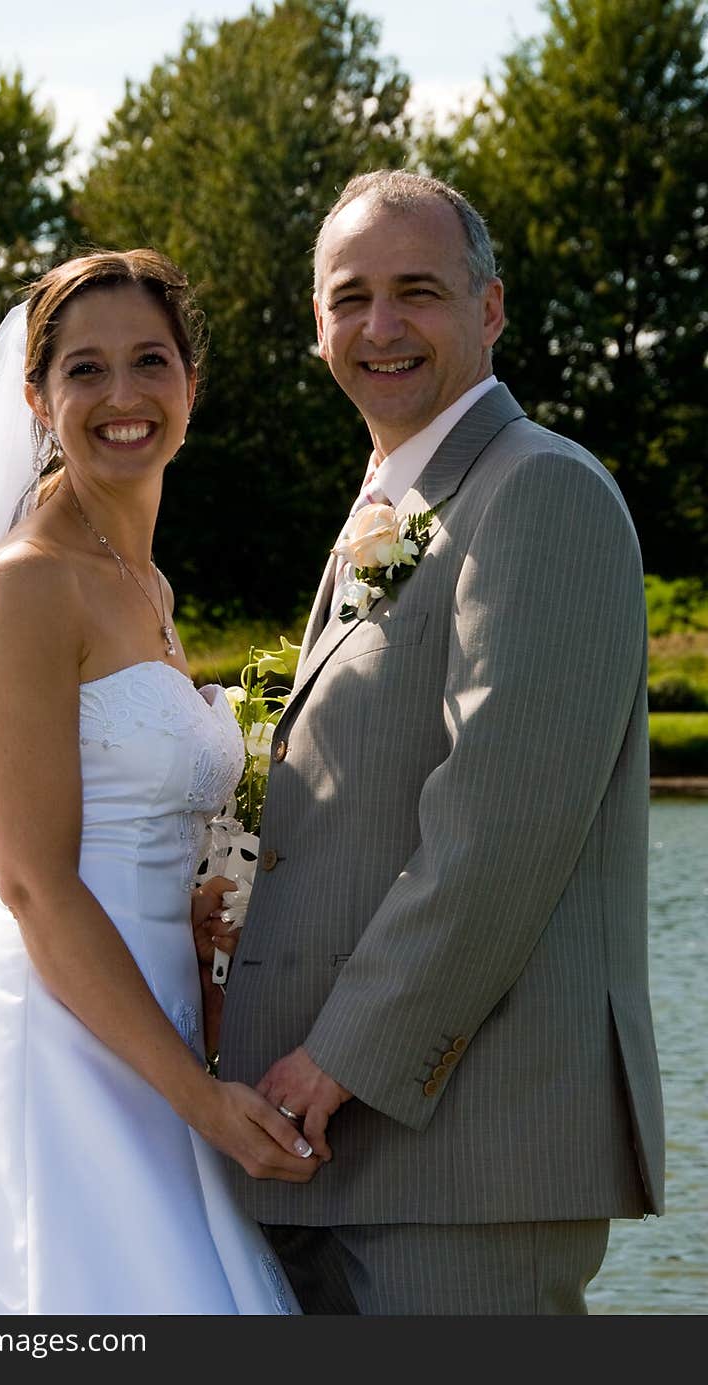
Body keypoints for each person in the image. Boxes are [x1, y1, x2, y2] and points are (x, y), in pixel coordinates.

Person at [0, 249, 312, 1315]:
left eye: (150, 360)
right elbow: (38, 886)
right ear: (38, 399)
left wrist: (183, 905)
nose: (123, 395)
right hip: (61, 1038)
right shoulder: (31, 576)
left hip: (158, 1007)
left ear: (190, 380)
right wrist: (202, 1101)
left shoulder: (145, 578)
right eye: (85, 370)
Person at [218, 170, 665, 1315]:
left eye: (416, 290)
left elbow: (496, 830)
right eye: (349, 296)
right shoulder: (401, 502)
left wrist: (343, 1057)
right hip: (330, 1148)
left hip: (466, 1145)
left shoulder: (539, 492)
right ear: (315, 321)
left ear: (491, 308)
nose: (380, 326)